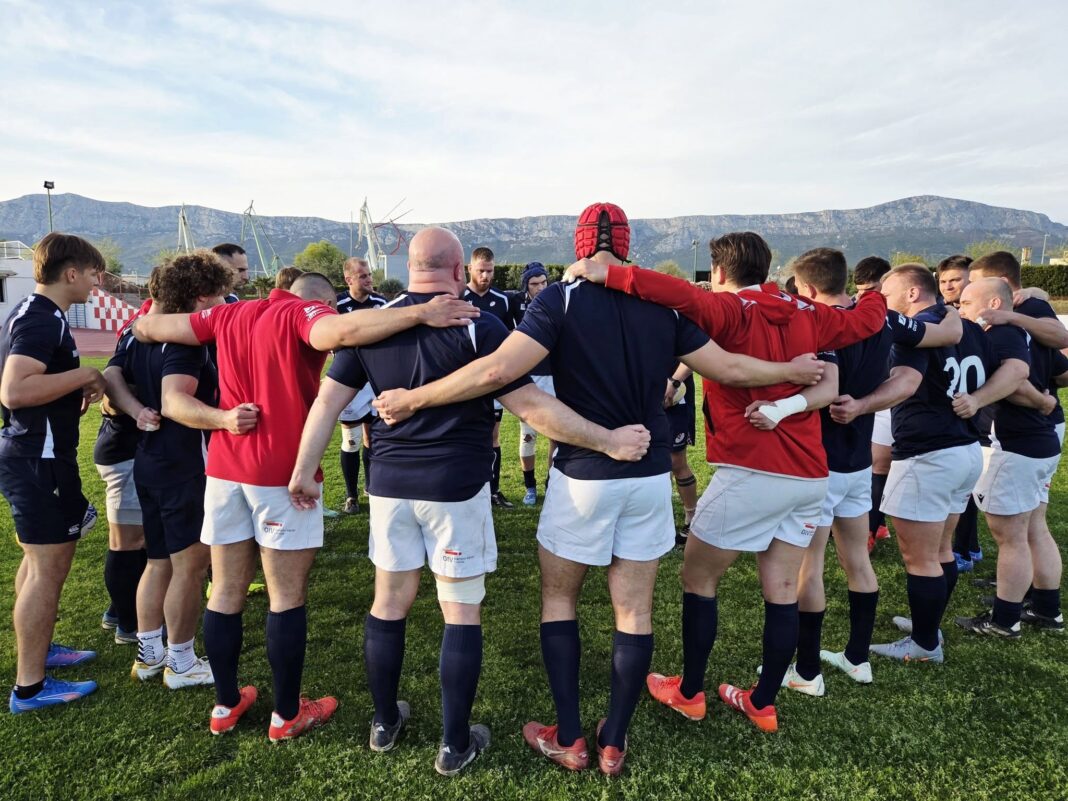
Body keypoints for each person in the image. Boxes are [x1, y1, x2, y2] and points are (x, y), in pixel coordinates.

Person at [375, 204, 826, 770]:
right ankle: (614, 737)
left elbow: (496, 372)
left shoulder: (561, 299)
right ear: (627, 246)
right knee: (633, 611)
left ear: (580, 244)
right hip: (648, 473)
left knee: (560, 599)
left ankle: (569, 735)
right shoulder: (661, 302)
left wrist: (414, 398)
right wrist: (791, 374)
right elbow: (730, 369)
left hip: (583, 474)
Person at [291, 227, 654, 776]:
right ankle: (453, 743)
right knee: (459, 610)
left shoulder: (375, 324)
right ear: (459, 271)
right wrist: (606, 441)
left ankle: (384, 723)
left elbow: (326, 404)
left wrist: (303, 470)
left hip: (388, 485)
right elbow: (532, 407)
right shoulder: (477, 324)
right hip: (455, 488)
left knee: (388, 603)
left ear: (410, 267)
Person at [131, 270, 479, 740]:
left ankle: (226, 704)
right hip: (281, 473)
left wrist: (140, 325)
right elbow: (341, 331)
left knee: (226, 590)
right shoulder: (302, 312)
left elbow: (150, 327)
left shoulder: (229, 313)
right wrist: (421, 312)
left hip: (225, 470)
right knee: (285, 596)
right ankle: (287, 713)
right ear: (323, 301)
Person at [565, 231, 887, 734]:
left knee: (698, 578)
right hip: (811, 475)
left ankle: (690, 692)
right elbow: (866, 320)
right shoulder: (808, 311)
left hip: (752, 469)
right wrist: (877, 293)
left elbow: (675, 292)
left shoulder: (730, 310)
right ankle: (762, 702)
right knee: (783, 587)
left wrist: (607, 271)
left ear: (718, 272)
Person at [784, 248, 961, 693]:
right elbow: (945, 332)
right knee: (856, 558)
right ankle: (857, 658)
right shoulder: (882, 318)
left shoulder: (816, 322)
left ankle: (807, 671)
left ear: (807, 288)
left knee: (811, 566)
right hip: (858, 462)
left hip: (820, 463)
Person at [858, 265, 1028, 663]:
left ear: (912, 293)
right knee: (940, 550)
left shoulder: (920, 330)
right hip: (964, 449)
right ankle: (927, 627)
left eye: (888, 293)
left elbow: (905, 383)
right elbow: (1015, 369)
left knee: (920, 557)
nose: (883, 301)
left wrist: (861, 404)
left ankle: (924, 644)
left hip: (927, 452)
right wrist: (980, 398)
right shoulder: (968, 327)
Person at [106, 253, 239, 689]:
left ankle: (149, 655)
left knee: (158, 560)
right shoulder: (184, 341)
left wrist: (134, 409)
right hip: (184, 461)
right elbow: (175, 401)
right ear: (199, 296)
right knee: (190, 566)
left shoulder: (135, 331)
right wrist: (224, 419)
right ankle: (180, 661)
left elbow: (112, 376)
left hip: (149, 457)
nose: (222, 304)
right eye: (218, 296)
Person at [0, 232, 107, 713]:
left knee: (36, 563)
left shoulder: (31, 311)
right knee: (48, 568)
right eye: (93, 274)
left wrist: (64, 391)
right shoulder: (42, 318)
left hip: (33, 454)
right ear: (71, 273)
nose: (96, 283)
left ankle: (38, 650)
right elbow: (15, 390)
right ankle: (29, 687)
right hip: (37, 459)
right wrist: (85, 375)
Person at [952, 278, 1060, 637]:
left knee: (1010, 536)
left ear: (994, 304)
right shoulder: (1028, 333)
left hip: (1017, 446)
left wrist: (978, 400)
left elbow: (1016, 374)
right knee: (1033, 529)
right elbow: (1059, 371)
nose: (961, 309)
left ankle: (1004, 619)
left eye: (967, 302)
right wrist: (1045, 401)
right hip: (1040, 442)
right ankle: (1047, 608)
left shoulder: (1001, 333)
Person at [93, 328, 151, 645]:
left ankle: (119, 611)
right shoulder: (141, 332)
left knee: (140, 539)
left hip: (128, 448)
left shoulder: (140, 329)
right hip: (124, 449)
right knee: (127, 541)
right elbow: (111, 379)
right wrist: (139, 409)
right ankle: (128, 624)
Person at [335, 257, 388, 514]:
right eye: (363, 276)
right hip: (349, 383)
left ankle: (370, 486)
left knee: (372, 438)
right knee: (351, 440)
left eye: (369, 275)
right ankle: (351, 495)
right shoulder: (338, 305)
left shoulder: (381, 304)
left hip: (376, 380)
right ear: (349, 280)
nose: (369, 280)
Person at [463, 247, 514, 507]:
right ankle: (468, 488)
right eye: (481, 270)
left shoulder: (502, 300)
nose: (485, 276)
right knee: (466, 434)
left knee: (493, 435)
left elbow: (510, 338)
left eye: (490, 271)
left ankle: (493, 490)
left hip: (493, 379)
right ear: (469, 268)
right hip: (464, 380)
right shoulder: (458, 296)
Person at [853, 256, 894, 549]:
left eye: (871, 291)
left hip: (895, 399)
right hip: (875, 400)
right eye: (859, 292)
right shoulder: (857, 312)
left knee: (882, 464)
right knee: (878, 463)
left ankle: (873, 525)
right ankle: (873, 526)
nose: (864, 298)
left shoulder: (903, 317)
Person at [508, 262, 555, 505]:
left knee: (556, 434)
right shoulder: (515, 302)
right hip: (529, 377)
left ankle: (551, 483)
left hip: (555, 376)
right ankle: (530, 487)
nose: (540, 287)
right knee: (528, 435)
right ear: (526, 285)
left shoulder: (556, 300)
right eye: (534, 283)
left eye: (543, 282)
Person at [664, 363, 698, 545]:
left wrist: (674, 381)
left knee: (675, 461)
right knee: (650, 460)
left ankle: (692, 518)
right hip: (644, 390)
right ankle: (661, 520)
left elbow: (692, 355)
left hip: (675, 393)